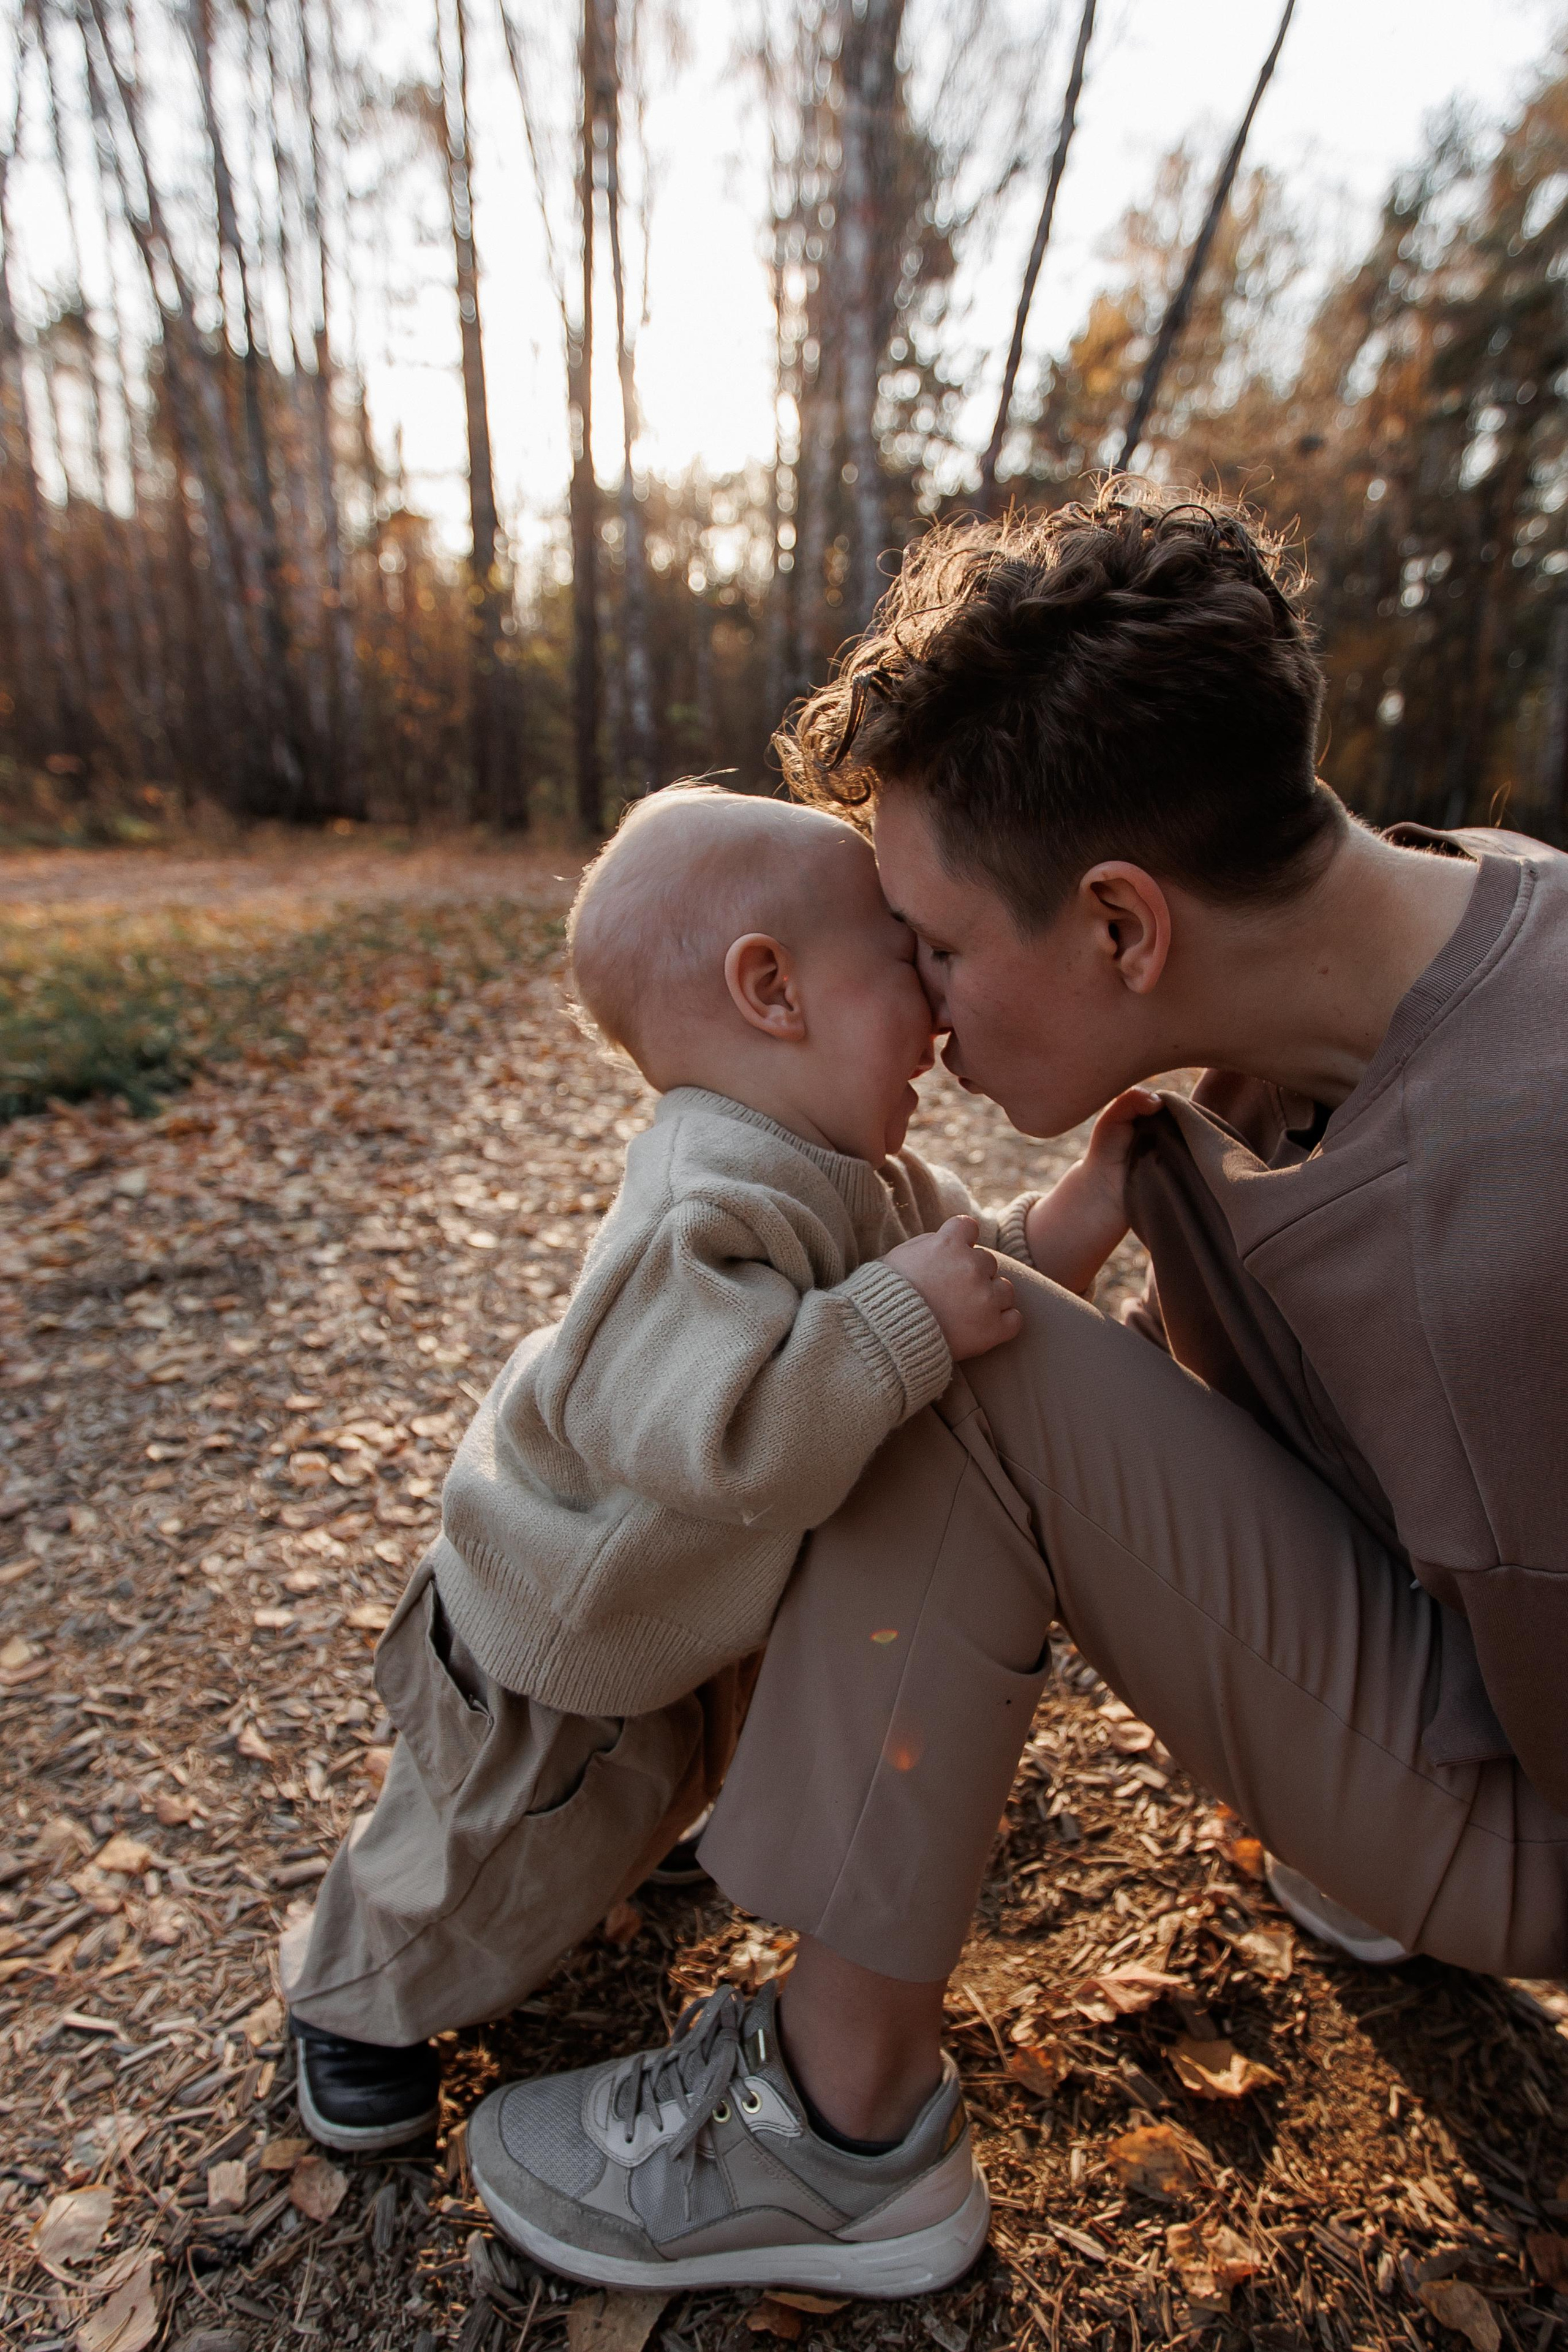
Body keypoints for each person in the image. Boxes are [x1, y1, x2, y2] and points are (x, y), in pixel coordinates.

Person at [465, 485, 1568, 2296]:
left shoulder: (1518, 1217)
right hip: (1479, 1644)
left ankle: (837, 2126)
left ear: (1125, 927)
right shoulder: (1448, 913)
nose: (923, 1002)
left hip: (1535, 1804)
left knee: (953, 1363)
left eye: (942, 945)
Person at [284, 780, 1148, 2242]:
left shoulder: (849, 1165)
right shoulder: (700, 1199)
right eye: (901, 955)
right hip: (557, 1643)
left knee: (640, 1802)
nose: (936, 1005)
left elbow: (968, 1275)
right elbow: (727, 1432)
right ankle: (351, 2003)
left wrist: (1095, 1200)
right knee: (486, 1862)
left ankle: (626, 1848)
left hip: (670, 1618)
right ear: (772, 991)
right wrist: (891, 1317)